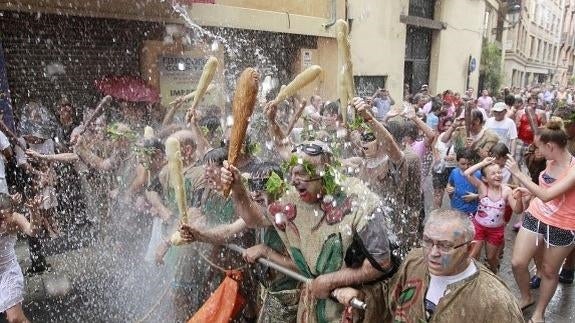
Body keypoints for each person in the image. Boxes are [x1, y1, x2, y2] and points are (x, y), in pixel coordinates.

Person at [221, 137, 396, 323]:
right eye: (293, 173)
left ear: (327, 172)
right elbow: (255, 220)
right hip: (312, 305)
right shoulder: (292, 200)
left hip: (353, 303)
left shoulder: (361, 201)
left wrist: (330, 281)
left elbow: (382, 262)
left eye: (304, 172)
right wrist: (238, 188)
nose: (295, 181)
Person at [331, 209, 524, 322]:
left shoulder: (495, 301)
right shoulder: (415, 261)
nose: (432, 253)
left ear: (469, 248)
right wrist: (361, 296)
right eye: (428, 241)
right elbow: (391, 297)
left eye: (445, 246)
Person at [506, 118, 575, 323]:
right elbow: (544, 191)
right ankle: (526, 296)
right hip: (537, 215)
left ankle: (539, 312)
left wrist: (518, 174)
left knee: (549, 270)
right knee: (518, 263)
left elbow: (547, 195)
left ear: (550, 146)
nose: (536, 151)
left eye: (539, 147)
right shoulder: (550, 161)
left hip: (563, 225)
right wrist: (528, 190)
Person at [463, 157, 525, 273]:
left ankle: (493, 272)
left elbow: (517, 210)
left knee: (491, 257)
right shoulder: (482, 187)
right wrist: (482, 163)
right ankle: (473, 275)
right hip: (479, 227)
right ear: (485, 179)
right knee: (473, 254)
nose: (497, 175)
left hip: (496, 230)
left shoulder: (506, 191)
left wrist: (520, 197)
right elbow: (467, 173)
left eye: (499, 172)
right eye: (493, 174)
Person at [0, 193, 42, 323]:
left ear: (10, 214)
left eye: (3, 218)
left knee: (15, 319)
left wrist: (34, 211)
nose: (1, 223)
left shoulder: (15, 219)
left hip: (8, 271)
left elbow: (33, 230)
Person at [445, 149, 480, 216]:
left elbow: (486, 193)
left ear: (474, 162)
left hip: (472, 210)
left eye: (469, 164)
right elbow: (449, 183)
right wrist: (448, 188)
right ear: (457, 162)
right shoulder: (454, 172)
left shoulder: (478, 174)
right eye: (463, 164)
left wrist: (476, 196)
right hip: (456, 208)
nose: (466, 167)